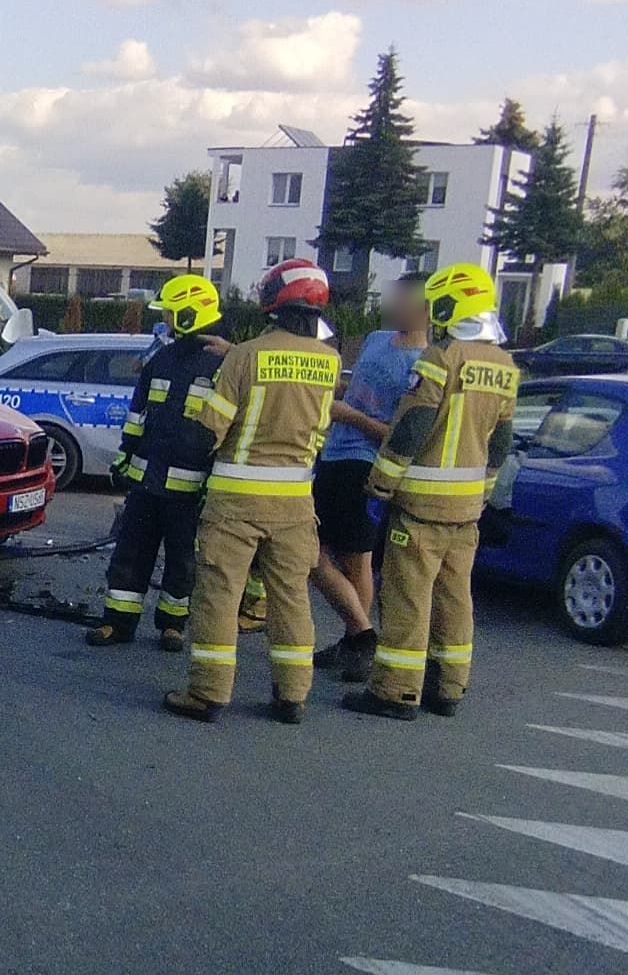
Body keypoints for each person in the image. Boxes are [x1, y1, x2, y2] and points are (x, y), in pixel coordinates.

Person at [165, 258, 340, 727]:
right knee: (291, 599)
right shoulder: (329, 360)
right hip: (296, 503)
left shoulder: (244, 357)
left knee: (220, 595)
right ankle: (293, 696)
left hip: (236, 501)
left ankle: (208, 692)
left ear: (272, 301)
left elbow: (209, 430)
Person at [344, 263, 521, 721]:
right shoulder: (505, 366)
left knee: (408, 596)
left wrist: (381, 482)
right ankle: (449, 686)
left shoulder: (441, 358)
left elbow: (412, 426)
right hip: (466, 510)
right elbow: (500, 440)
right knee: (455, 596)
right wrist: (483, 491)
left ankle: (396, 691)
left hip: (421, 506)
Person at [86, 274, 228, 649]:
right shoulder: (161, 358)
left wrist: (213, 481)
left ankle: (172, 625)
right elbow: (138, 414)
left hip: (190, 486)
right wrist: (125, 456)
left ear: (187, 313)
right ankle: (117, 623)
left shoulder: (224, 364)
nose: (164, 317)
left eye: (168, 311)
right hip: (146, 479)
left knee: (182, 559)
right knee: (131, 552)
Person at [308, 272, 429, 681]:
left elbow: (402, 433)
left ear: (424, 309)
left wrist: (352, 418)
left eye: (402, 299)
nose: (392, 305)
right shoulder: (377, 340)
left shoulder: (423, 362)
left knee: (350, 558)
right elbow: (352, 386)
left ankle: (359, 638)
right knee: (314, 549)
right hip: (333, 454)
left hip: (365, 463)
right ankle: (356, 637)